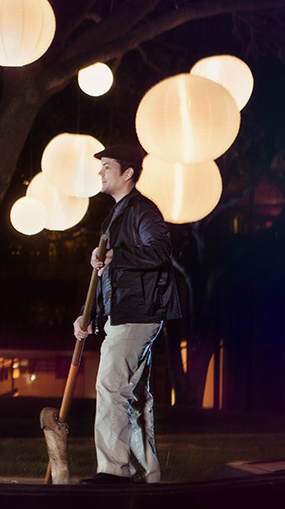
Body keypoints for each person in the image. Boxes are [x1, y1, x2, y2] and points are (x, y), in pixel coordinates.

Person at [73, 144, 181, 485]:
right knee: (134, 398)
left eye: (107, 166)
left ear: (128, 173)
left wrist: (117, 254)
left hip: (137, 313)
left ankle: (113, 471)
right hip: (124, 313)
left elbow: (160, 250)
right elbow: (109, 277)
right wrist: (87, 314)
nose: (100, 172)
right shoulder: (116, 215)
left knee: (110, 387)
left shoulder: (142, 211)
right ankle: (147, 475)